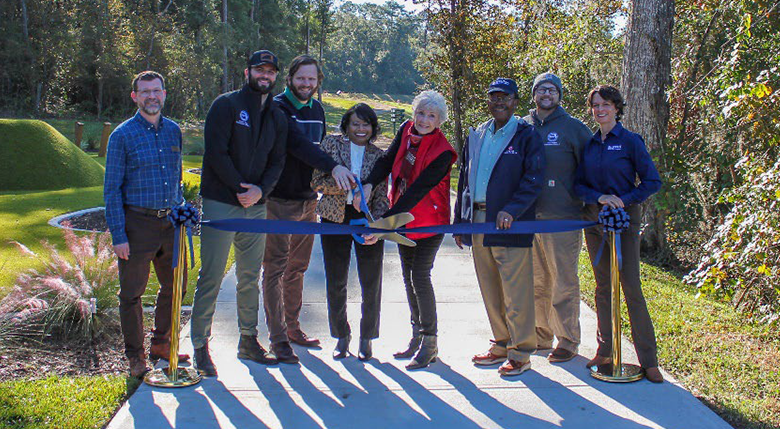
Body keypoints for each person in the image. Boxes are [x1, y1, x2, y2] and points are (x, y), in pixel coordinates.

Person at [190, 50, 288, 376]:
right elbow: (216, 152)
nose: (265, 75)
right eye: (260, 69)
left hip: (257, 207)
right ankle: (200, 346)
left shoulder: (277, 115)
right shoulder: (226, 105)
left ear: (276, 76)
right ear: (248, 72)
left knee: (250, 276)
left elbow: (277, 162)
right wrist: (239, 189)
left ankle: (248, 340)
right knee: (213, 275)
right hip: (221, 201)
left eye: (271, 71)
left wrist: (261, 191)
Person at [262, 55, 354, 363]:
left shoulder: (317, 109)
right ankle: (277, 339)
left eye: (312, 79)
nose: (307, 84)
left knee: (297, 268)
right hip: (278, 201)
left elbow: (321, 146)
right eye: (301, 78)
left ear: (318, 82)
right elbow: (298, 145)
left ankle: (292, 327)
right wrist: (334, 167)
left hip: (307, 200)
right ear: (290, 79)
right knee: (275, 269)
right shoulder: (276, 107)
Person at [356, 90, 457, 370]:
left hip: (427, 220)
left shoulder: (443, 152)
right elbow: (388, 161)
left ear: (440, 121)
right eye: (421, 113)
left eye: (431, 116)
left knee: (420, 276)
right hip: (403, 218)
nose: (424, 120)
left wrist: (383, 223)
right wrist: (369, 182)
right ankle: (417, 336)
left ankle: (430, 342)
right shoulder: (406, 130)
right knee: (407, 277)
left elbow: (418, 190)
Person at [453, 77, 545, 377]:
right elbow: (465, 179)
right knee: (490, 288)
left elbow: (534, 179)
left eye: (505, 97)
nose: (499, 102)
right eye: (494, 97)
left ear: (516, 101)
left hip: (509, 224)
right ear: (488, 101)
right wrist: (460, 222)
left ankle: (521, 352)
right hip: (478, 222)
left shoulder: (525, 135)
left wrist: (512, 210)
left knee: (515, 291)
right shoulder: (478, 134)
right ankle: (501, 343)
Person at [574, 84, 664, 383]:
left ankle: (648, 360)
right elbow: (578, 186)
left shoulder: (630, 142)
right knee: (603, 287)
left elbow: (652, 181)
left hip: (624, 222)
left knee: (631, 287)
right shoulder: (589, 144)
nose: (600, 110)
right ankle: (605, 350)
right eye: (595, 105)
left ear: (616, 107)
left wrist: (622, 200)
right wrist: (599, 198)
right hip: (594, 221)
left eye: (606, 105)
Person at [104, 70, 190, 378]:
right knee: (131, 293)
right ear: (135, 97)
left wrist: (181, 211)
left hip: (171, 224)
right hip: (137, 224)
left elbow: (177, 179)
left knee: (175, 287)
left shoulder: (173, 131)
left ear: (164, 94)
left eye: (156, 90)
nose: (151, 96)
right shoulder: (122, 136)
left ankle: (162, 344)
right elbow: (111, 189)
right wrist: (118, 234)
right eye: (145, 92)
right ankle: (135, 356)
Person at [523, 73, 592, 363]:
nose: (546, 93)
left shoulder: (574, 129)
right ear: (534, 95)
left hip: (563, 217)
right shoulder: (522, 127)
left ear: (559, 95)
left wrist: (590, 205)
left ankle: (567, 339)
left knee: (564, 279)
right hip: (528, 217)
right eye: (541, 89)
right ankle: (542, 334)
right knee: (537, 281)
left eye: (552, 89)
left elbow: (593, 168)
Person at [311, 104, 390, 361]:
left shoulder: (379, 156)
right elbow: (316, 182)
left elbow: (380, 195)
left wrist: (377, 223)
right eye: (355, 123)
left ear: (373, 128)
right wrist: (347, 190)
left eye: (366, 124)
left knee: (371, 281)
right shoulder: (331, 145)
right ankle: (341, 336)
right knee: (336, 280)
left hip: (365, 221)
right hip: (334, 218)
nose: (360, 129)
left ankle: (367, 337)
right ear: (346, 125)